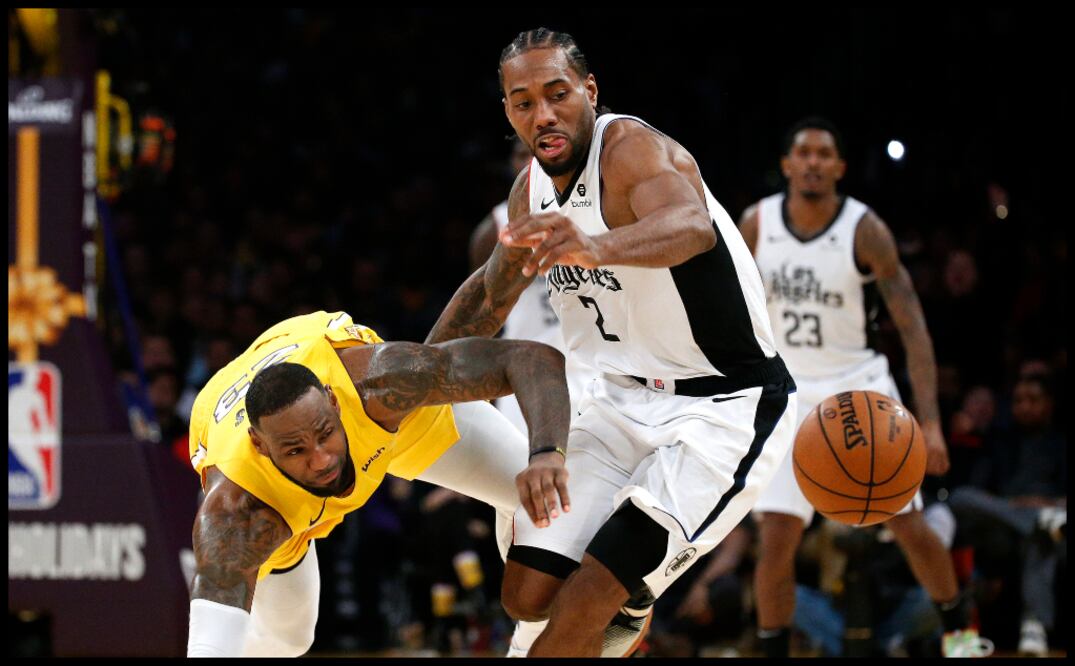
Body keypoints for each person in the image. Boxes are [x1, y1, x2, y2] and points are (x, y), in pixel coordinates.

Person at [427, 28, 797, 657]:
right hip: (618, 400)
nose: (542, 114)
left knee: (587, 598)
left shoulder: (629, 148)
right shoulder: (529, 195)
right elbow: (490, 296)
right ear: (509, 113)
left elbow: (691, 226)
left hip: (723, 406)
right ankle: (630, 604)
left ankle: (620, 595)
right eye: (522, 102)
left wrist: (596, 247)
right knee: (525, 594)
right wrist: (413, 373)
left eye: (557, 94)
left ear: (589, 91)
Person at [740, 117, 991, 658]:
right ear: (786, 164)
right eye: (802, 153)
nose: (812, 162)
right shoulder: (756, 224)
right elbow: (733, 317)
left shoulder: (863, 228)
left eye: (823, 154)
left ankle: (962, 636)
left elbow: (912, 326)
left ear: (840, 167)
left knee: (908, 523)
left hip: (858, 387)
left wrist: (929, 422)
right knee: (776, 539)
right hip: (785, 394)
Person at [185, 310, 572, 656]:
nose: (321, 460)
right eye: (296, 450)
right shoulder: (240, 515)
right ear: (260, 445)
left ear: (334, 402)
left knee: (550, 503)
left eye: (324, 434)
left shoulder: (380, 385)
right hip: (276, 491)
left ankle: (531, 646)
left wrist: (547, 454)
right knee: (288, 641)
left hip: (376, 425)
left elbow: (530, 358)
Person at [468, 137, 589, 436]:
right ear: (513, 164)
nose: (530, 162)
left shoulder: (592, 209)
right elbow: (480, 319)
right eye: (522, 154)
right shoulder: (492, 230)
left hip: (594, 368)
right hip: (527, 375)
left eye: (536, 154)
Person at [949, 372, 1066, 657]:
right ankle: (1038, 520)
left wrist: (1049, 506)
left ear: (1049, 403)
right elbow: (978, 491)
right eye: (1018, 400)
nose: (1025, 406)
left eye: (1033, 400)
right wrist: (1021, 508)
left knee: (1042, 537)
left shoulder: (1062, 442)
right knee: (959, 498)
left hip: (1055, 528)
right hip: (1002, 526)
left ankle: (1034, 624)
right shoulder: (998, 440)